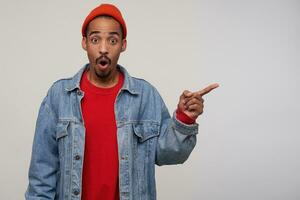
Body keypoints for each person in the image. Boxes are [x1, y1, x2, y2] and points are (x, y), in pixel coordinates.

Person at [25, 3, 218, 200]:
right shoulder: (59, 96)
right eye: (95, 39)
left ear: (123, 45)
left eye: (112, 40)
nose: (103, 48)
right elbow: (42, 174)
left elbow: (168, 155)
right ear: (84, 43)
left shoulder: (146, 96)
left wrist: (185, 119)